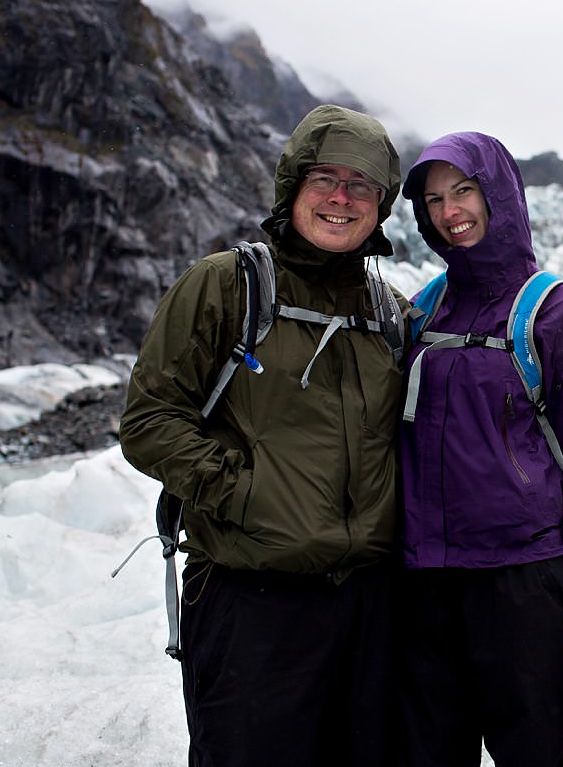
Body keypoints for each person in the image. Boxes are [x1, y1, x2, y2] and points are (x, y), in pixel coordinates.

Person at [119, 105, 406, 767]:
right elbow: (150, 418)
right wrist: (246, 495)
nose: (341, 198)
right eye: (325, 179)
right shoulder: (226, 286)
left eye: (361, 185)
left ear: (381, 204)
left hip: (368, 608)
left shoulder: (388, 312)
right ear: (292, 186)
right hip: (252, 602)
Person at [398, 132, 563, 766]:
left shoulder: (553, 311)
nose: (449, 211)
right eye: (434, 198)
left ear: (497, 193)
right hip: (426, 581)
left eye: (464, 190)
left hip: (521, 580)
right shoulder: (423, 309)